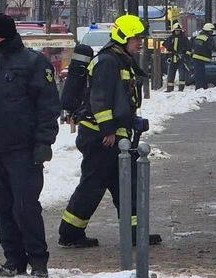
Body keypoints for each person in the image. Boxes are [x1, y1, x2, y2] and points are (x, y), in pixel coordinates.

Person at [0, 13, 60, 278]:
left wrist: (44, 142)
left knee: (25, 206)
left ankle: (38, 261)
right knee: (2, 206)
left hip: (23, 150)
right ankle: (14, 260)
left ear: (0, 34)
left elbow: (48, 107)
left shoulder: (33, 63)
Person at [58, 14, 162, 250]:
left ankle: (135, 231)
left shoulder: (120, 60)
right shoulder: (108, 62)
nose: (140, 43)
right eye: (136, 38)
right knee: (93, 186)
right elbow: (100, 99)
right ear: (123, 37)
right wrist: (109, 129)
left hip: (115, 135)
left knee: (126, 183)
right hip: (101, 137)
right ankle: (70, 232)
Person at [162, 22, 192, 92]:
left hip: (181, 59)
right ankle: (169, 89)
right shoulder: (170, 38)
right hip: (173, 58)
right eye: (176, 30)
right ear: (173, 31)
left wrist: (185, 56)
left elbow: (189, 49)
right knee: (171, 74)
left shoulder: (184, 39)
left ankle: (181, 89)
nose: (177, 32)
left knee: (182, 74)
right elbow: (167, 47)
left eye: (178, 30)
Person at [190, 23, 215, 89]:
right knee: (201, 74)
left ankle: (199, 87)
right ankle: (201, 87)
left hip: (195, 57)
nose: (212, 32)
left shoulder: (198, 36)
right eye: (211, 31)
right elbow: (212, 47)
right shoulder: (209, 38)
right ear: (208, 30)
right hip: (203, 58)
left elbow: (192, 44)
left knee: (198, 74)